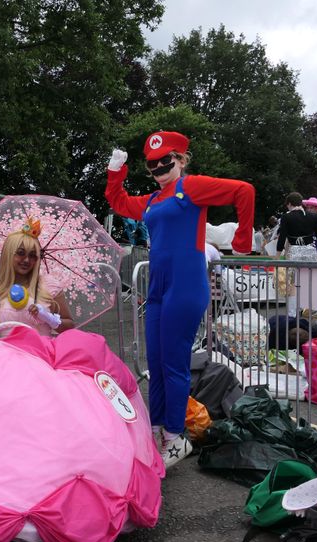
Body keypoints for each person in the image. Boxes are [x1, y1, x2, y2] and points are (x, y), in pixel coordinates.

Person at [105, 131, 255, 467]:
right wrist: (116, 172)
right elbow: (118, 202)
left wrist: (243, 238)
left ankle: (174, 435)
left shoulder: (192, 187)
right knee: (156, 364)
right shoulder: (152, 201)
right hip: (157, 289)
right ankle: (156, 428)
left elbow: (244, 191)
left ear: (181, 160)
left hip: (185, 287)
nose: (159, 167)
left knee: (173, 366)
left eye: (166, 160)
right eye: (152, 163)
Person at [0, 222, 73, 337]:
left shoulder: (49, 286)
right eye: (21, 253)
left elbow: (70, 328)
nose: (27, 260)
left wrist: (50, 318)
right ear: (8, 254)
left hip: (40, 353)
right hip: (5, 353)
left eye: (32, 255)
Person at [276, 192, 317, 261]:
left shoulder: (286, 217)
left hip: (294, 252)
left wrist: (277, 257)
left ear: (289, 204)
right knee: (309, 272)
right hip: (310, 252)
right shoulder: (314, 217)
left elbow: (282, 238)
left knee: (293, 272)